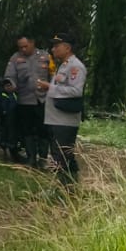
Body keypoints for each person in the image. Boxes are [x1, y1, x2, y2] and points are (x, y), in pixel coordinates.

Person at [38, 32, 87, 182]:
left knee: (61, 156)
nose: (53, 49)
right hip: (56, 118)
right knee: (64, 155)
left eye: (56, 46)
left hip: (65, 121)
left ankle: (61, 189)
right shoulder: (64, 65)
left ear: (67, 47)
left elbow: (76, 91)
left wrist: (50, 87)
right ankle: (71, 186)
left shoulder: (75, 66)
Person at [2, 34, 52, 165]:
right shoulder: (15, 58)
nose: (23, 49)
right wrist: (10, 85)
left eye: (25, 46)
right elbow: (9, 76)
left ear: (32, 43)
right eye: (20, 47)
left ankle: (43, 159)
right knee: (27, 130)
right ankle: (31, 158)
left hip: (42, 100)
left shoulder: (45, 56)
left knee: (43, 130)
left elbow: (54, 75)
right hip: (25, 100)